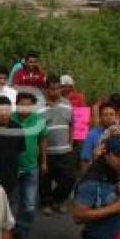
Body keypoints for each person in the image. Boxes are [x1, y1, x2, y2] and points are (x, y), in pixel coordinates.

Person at [11, 92, 48, 239]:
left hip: (31, 167)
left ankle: (23, 229)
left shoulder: (39, 121)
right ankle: (6, 230)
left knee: (30, 203)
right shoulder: (10, 118)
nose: (24, 107)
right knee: (10, 200)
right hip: (12, 167)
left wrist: (44, 162)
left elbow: (43, 142)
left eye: (28, 104)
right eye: (22, 104)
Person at [40, 74, 75, 216]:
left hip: (64, 150)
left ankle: (57, 199)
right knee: (45, 179)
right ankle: (46, 203)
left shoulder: (67, 104)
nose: (55, 91)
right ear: (46, 89)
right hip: (46, 151)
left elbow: (72, 124)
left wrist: (71, 143)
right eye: (52, 89)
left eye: (57, 88)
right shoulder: (40, 106)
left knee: (69, 178)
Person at [81, 101, 120, 172]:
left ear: (116, 116)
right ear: (100, 117)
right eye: (105, 115)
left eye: (111, 114)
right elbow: (85, 160)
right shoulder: (92, 134)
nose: (109, 117)